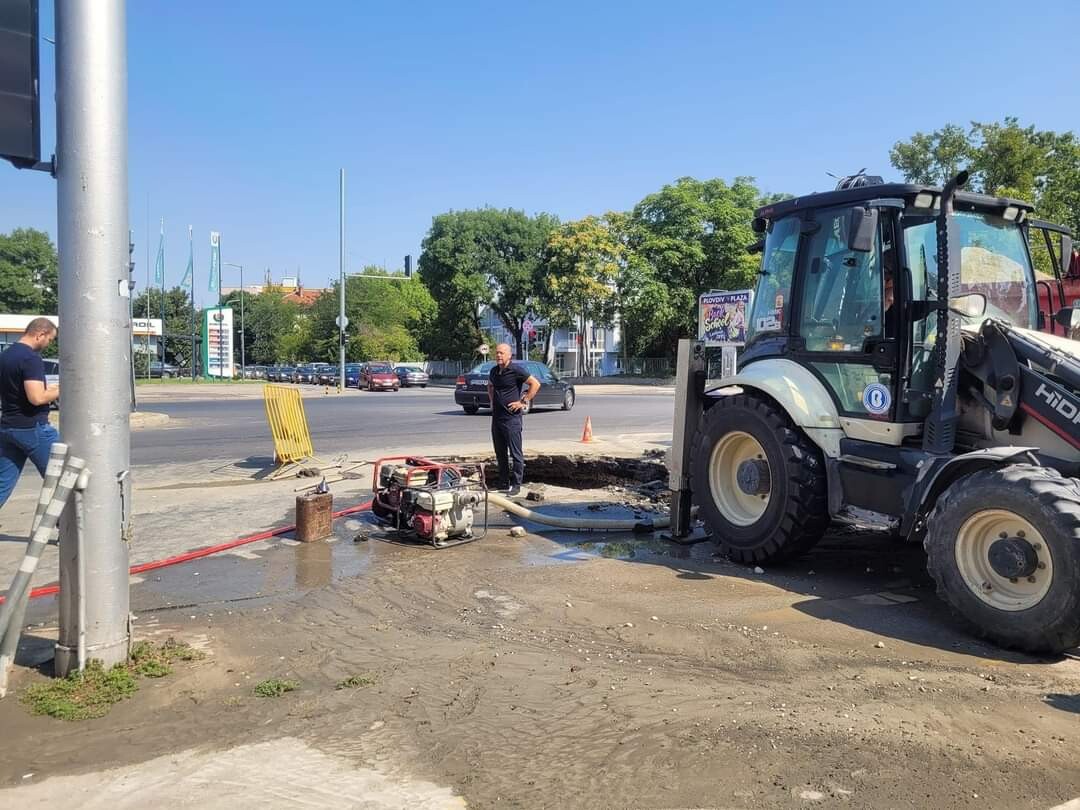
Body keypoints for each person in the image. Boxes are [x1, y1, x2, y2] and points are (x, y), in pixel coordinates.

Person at [0, 318, 61, 510]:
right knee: (62, 479)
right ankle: (68, 531)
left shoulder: (6, 356)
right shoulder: (31, 358)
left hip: (8, 427)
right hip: (32, 428)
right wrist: (62, 388)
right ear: (40, 334)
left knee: (3, 483)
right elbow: (36, 398)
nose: (48, 344)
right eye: (50, 339)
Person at [487, 343, 540, 497]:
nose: (498, 356)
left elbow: (535, 384)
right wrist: (492, 401)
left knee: (515, 453)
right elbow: (490, 386)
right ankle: (503, 482)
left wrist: (523, 402)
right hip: (497, 419)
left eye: (502, 353)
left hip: (512, 419)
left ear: (509, 355)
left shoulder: (516, 370)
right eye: (497, 353)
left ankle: (516, 485)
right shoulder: (494, 371)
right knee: (500, 453)